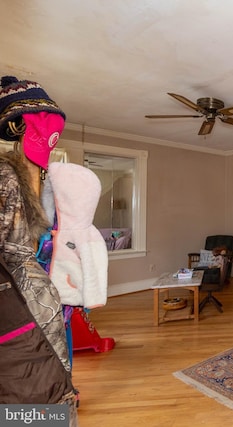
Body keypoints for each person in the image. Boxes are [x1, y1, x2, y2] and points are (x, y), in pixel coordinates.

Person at [0, 75, 78, 425]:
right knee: (37, 399)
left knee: (44, 399)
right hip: (20, 318)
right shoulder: (8, 175)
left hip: (34, 309)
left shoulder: (30, 176)